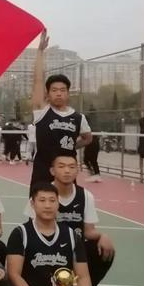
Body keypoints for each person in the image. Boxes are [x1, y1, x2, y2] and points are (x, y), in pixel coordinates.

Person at [23, 153, 114, 286]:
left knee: (103, 249)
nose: (67, 171)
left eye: (72, 167)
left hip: (75, 249)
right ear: (52, 171)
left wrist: (103, 236)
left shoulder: (86, 196)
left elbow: (88, 231)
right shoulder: (41, 195)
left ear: (77, 171)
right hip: (47, 249)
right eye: (61, 166)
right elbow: (32, 230)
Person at [31, 31, 92, 189]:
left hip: (66, 175)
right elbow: (38, 80)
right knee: (41, 204)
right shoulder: (41, 112)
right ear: (47, 94)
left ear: (68, 93)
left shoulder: (78, 118)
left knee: (67, 204)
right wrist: (40, 52)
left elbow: (87, 138)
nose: (58, 93)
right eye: (54, 90)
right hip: (43, 173)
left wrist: (71, 147)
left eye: (62, 90)